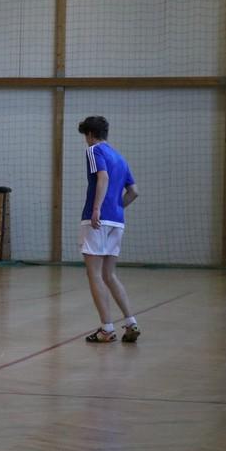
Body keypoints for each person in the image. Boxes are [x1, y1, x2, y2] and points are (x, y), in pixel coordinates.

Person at [77, 116, 140, 343]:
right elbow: (134, 191)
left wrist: (97, 209)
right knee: (109, 274)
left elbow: (102, 177)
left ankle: (106, 329)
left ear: (90, 134)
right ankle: (131, 322)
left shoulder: (94, 151)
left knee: (94, 274)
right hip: (117, 221)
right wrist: (116, 208)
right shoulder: (120, 157)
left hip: (96, 220)